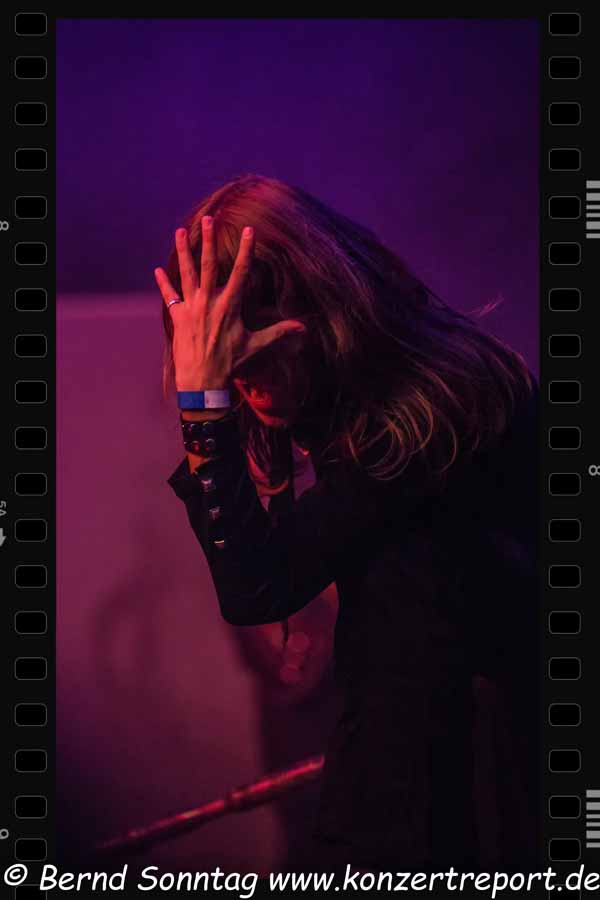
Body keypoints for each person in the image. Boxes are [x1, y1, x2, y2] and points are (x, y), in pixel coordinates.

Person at [155, 175, 539, 872]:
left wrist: (202, 408)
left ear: (316, 309)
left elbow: (257, 586)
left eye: (253, 354)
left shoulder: (431, 411)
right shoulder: (389, 398)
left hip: (468, 799)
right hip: (419, 782)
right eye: (226, 368)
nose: (245, 381)